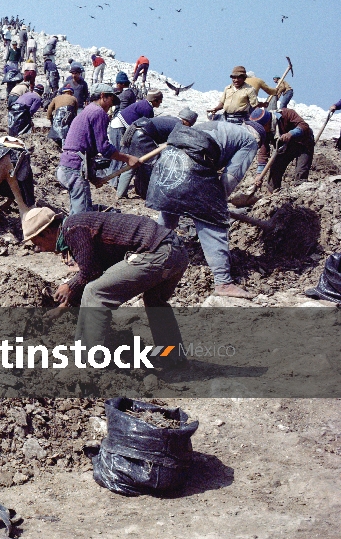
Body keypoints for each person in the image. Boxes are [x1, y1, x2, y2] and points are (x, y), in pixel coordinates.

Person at [23, 207, 188, 364]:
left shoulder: (73, 229)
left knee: (95, 293)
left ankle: (88, 362)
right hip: (175, 251)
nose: (39, 249)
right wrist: (66, 304)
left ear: (48, 232)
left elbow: (91, 273)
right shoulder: (75, 227)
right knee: (154, 301)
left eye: (38, 243)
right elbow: (99, 270)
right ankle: (174, 358)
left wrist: (69, 286)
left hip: (158, 252)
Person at [150, 120, 264, 298]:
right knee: (213, 223)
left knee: (170, 206)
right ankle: (223, 282)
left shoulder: (222, 126)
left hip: (168, 160)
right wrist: (217, 203)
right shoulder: (250, 141)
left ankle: (152, 255)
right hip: (193, 161)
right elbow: (231, 176)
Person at [57, 84, 140, 214]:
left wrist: (92, 176)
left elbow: (85, 148)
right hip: (74, 169)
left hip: (67, 166)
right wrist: (128, 158)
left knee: (78, 211)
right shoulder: (98, 112)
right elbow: (104, 148)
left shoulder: (88, 110)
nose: (110, 108)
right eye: (111, 102)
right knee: (82, 217)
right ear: (103, 96)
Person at [248, 107, 314, 191]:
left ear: (266, 123)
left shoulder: (287, 113)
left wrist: (291, 133)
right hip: (285, 147)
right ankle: (272, 193)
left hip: (303, 143)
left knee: (301, 172)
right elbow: (263, 152)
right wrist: (259, 174)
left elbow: (304, 126)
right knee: (275, 171)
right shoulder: (265, 132)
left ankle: (300, 193)